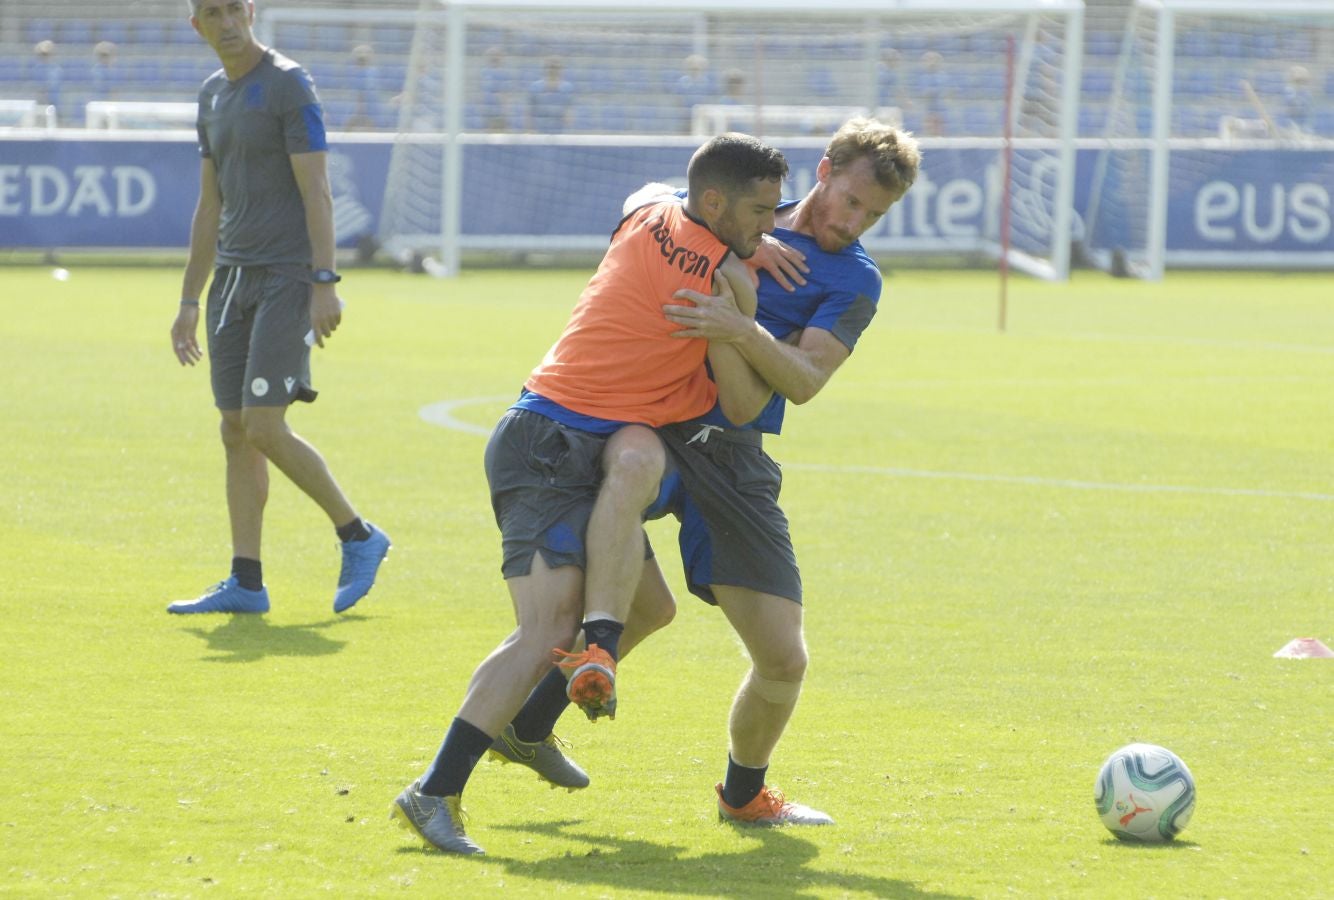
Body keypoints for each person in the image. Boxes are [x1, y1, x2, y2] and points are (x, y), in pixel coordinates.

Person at [493, 116, 922, 827]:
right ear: (824, 171)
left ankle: (743, 794)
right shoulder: (744, 212)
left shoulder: (855, 278)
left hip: (732, 450)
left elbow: (805, 380)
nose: (853, 224)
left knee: (784, 659)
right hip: (645, 425)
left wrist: (740, 328)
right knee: (609, 604)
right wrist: (744, 250)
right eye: (850, 201)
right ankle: (506, 728)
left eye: (873, 216)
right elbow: (648, 199)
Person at [391, 134, 788, 854]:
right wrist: (745, 315)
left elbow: (651, 191)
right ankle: (433, 792)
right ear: (713, 203)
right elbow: (741, 405)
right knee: (544, 629)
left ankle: (528, 726)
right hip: (547, 446)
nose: (771, 228)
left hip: (573, 442)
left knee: (651, 606)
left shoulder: (649, 210)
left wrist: (741, 244)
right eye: (761, 213)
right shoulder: (723, 282)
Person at [167, 0, 390, 615]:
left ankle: (358, 535)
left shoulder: (289, 83)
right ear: (198, 26)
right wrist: (189, 299)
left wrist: (324, 281)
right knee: (235, 430)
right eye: (213, 14)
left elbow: (317, 188)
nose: (227, 23)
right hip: (232, 281)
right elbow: (209, 205)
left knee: (264, 424)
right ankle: (246, 581)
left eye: (234, 9)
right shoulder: (212, 94)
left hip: (287, 278)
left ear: (251, 11)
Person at [525, 57, 574, 133]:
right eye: (551, 67)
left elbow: (569, 110)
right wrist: (530, 129)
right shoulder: (535, 87)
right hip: (539, 131)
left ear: (561, 69)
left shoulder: (567, 87)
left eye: (556, 67)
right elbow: (529, 111)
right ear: (545, 69)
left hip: (559, 131)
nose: (553, 70)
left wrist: (568, 126)